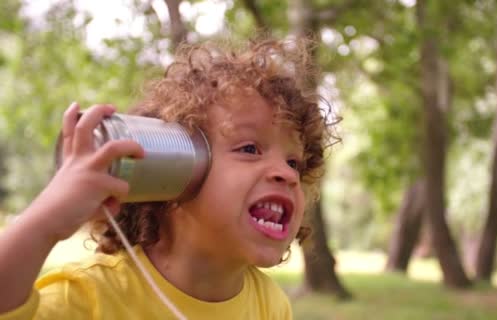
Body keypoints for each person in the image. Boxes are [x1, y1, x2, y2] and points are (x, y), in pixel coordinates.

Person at [0, 37, 334, 319]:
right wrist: (46, 222)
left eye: (294, 162)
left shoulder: (270, 306)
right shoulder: (92, 297)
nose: (286, 174)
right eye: (249, 148)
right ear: (172, 171)